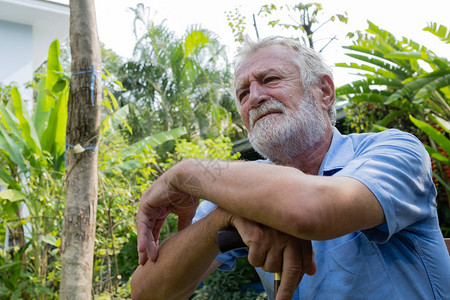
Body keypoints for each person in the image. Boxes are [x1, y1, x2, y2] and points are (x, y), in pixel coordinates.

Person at [131, 36, 450, 300]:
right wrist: (222, 220)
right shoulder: (238, 192)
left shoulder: (395, 150)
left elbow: (312, 210)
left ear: (324, 92)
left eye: (269, 79)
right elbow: (145, 293)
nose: (253, 98)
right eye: (243, 93)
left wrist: (186, 173)